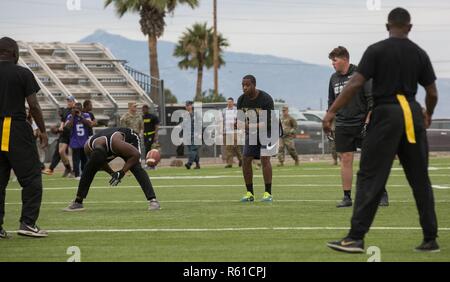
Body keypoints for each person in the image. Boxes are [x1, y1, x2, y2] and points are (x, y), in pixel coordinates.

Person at [324, 7, 439, 253]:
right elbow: (431, 92)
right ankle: (430, 239)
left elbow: (355, 83)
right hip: (411, 113)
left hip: (386, 113)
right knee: (419, 179)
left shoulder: (376, 50)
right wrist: (427, 114)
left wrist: (331, 111)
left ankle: (356, 237)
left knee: (369, 175)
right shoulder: (419, 53)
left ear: (388, 27)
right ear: (409, 27)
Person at [327, 46, 388, 208]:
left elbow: (372, 101)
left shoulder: (360, 74)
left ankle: (381, 192)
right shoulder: (333, 78)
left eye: (335, 60)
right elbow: (331, 103)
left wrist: (368, 122)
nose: (333, 64)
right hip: (342, 124)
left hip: (362, 123)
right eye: (332, 61)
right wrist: (331, 122)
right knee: (346, 159)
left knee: (371, 159)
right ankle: (347, 197)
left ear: (345, 59)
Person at [0, 37, 48, 238]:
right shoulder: (22, 73)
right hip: (14, 128)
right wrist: (43, 130)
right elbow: (34, 105)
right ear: (13, 52)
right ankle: (27, 223)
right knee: (31, 177)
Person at [63, 127, 161, 211]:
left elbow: (135, 155)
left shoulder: (116, 143)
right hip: (109, 145)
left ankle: (153, 200)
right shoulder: (88, 148)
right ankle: (78, 202)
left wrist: (121, 172)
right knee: (89, 168)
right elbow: (100, 163)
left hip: (129, 140)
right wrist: (112, 173)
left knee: (136, 167)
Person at [237, 75, 276, 202]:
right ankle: (249, 193)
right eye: (243, 85)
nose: (244, 88)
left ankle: (268, 193)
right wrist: (238, 124)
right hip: (252, 133)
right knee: (246, 159)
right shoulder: (241, 100)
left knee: (265, 159)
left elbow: (266, 123)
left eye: (247, 85)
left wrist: (248, 125)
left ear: (254, 85)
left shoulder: (266, 99)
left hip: (268, 131)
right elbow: (241, 121)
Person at [42, 97, 75, 177]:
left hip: (72, 134)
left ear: (73, 102)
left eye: (70, 101)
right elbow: (63, 122)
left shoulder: (75, 110)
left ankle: (72, 170)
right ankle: (67, 169)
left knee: (73, 153)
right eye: (68, 101)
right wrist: (59, 129)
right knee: (60, 152)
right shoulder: (65, 110)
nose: (68, 102)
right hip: (64, 134)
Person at [65, 103, 92, 179]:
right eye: (74, 108)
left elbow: (90, 124)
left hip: (84, 141)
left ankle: (85, 174)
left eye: (77, 108)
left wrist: (80, 116)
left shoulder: (86, 115)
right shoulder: (70, 116)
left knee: (84, 159)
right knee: (76, 160)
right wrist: (73, 116)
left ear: (81, 108)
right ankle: (77, 175)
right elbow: (67, 127)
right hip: (75, 141)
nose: (76, 110)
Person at [223, 97, 243, 168]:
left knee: (236, 147)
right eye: (228, 102)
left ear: (233, 102)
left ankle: (241, 160)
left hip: (235, 131)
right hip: (227, 131)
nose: (229, 103)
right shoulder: (224, 110)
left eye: (230, 102)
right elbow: (222, 120)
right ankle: (229, 163)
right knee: (228, 148)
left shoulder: (236, 110)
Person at [183, 101, 201, 169]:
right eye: (186, 105)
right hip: (187, 135)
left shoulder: (195, 115)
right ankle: (197, 164)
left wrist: (199, 133)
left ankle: (189, 163)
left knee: (193, 149)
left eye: (188, 105)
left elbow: (199, 124)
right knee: (193, 150)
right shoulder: (185, 115)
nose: (187, 107)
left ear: (191, 106)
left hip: (195, 135)